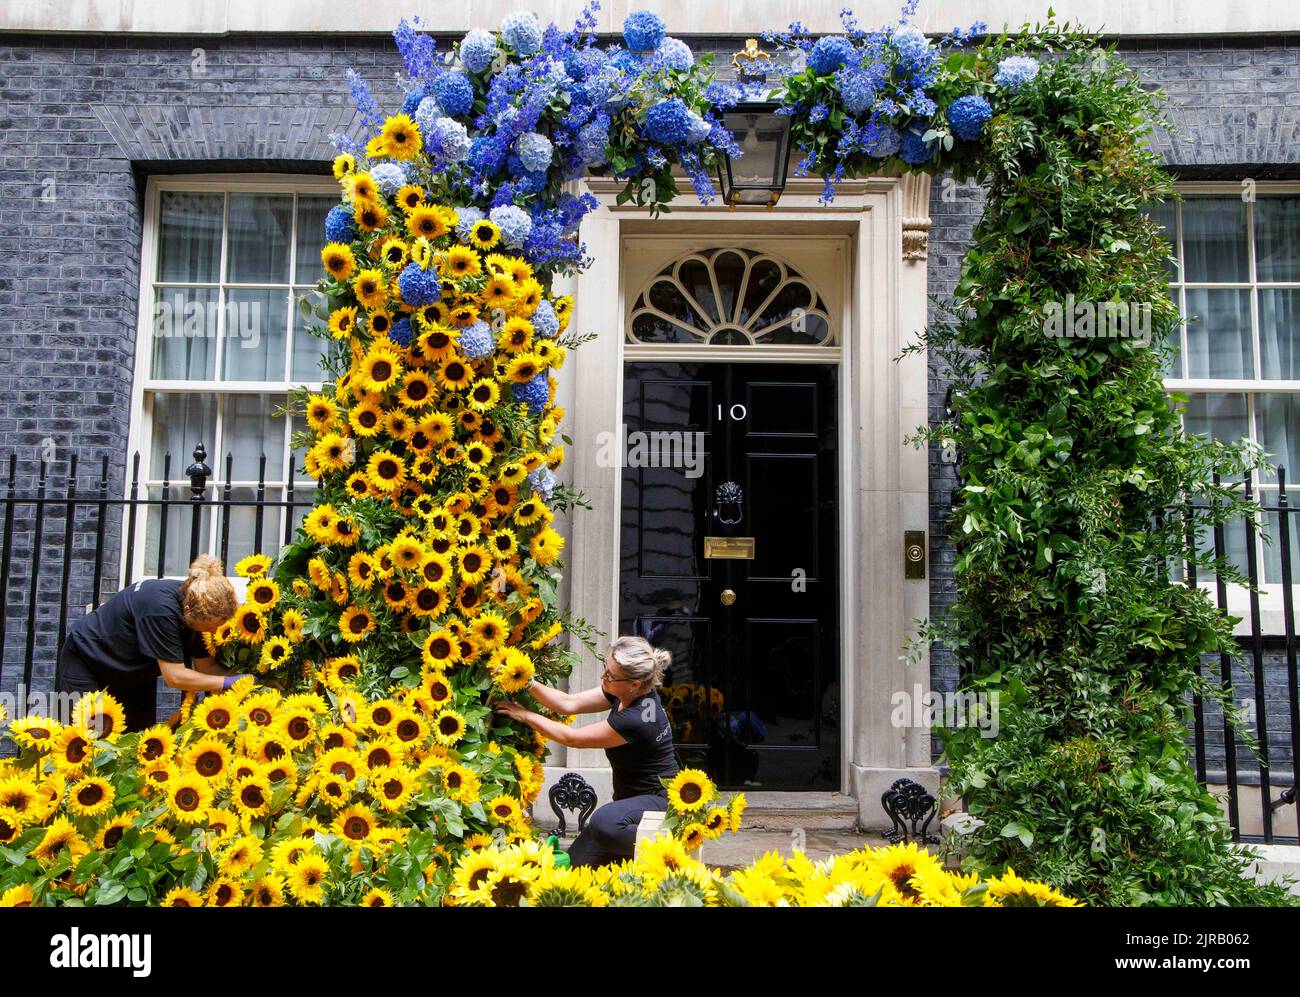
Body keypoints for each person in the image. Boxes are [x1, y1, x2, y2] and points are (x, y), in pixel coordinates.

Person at [493, 635, 679, 868]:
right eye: (605, 666)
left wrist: (524, 714)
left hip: (658, 802)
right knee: (572, 867)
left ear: (634, 684)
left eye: (611, 675)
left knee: (605, 822)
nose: (604, 677)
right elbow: (568, 703)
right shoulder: (626, 692)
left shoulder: (638, 718)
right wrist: (525, 681)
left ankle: (670, 846)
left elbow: (573, 739)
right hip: (629, 803)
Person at [55, 554, 251, 733]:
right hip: (87, 662)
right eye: (210, 627)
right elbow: (175, 677)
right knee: (84, 741)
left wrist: (248, 681)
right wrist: (226, 682)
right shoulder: (160, 610)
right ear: (191, 614)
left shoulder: (197, 610)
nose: (214, 633)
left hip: (132, 673)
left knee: (136, 745)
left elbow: (206, 667)